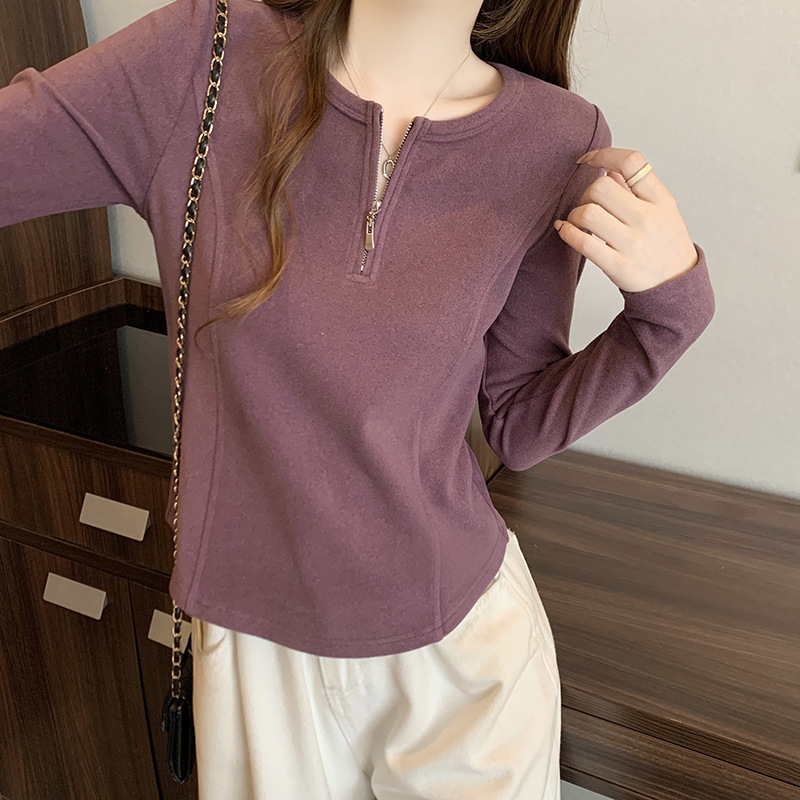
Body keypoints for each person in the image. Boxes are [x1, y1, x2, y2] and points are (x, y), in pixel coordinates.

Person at [0, 0, 715, 796]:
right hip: (257, 662)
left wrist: (669, 311)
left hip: (462, 657)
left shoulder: (555, 139)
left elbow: (517, 423)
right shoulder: (203, 56)